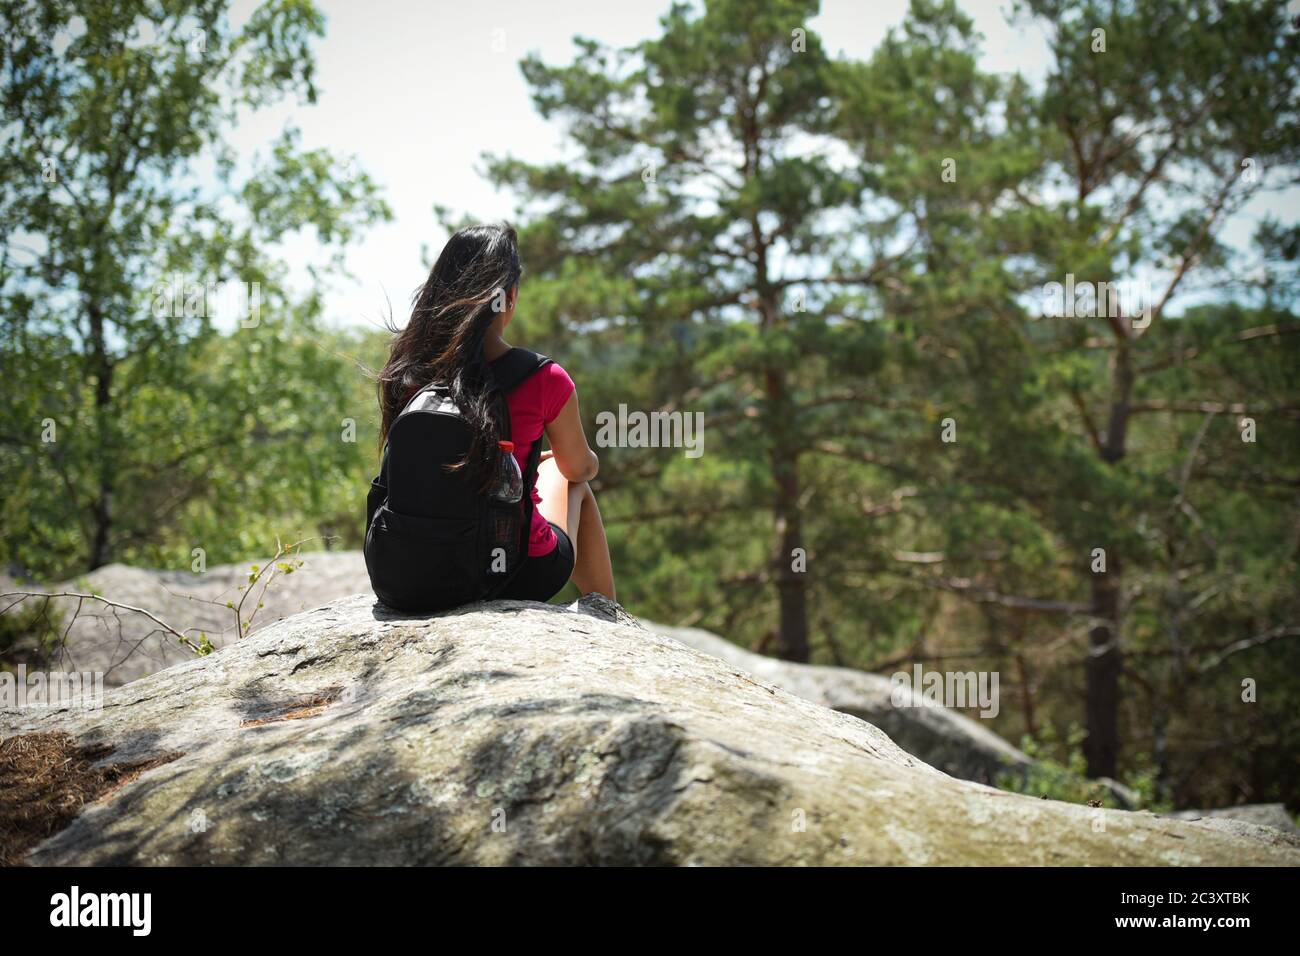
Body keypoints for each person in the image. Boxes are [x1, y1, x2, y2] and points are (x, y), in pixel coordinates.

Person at [375, 223, 616, 603]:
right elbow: (578, 469)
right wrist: (552, 463)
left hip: (408, 575)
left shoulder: (407, 372)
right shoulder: (544, 377)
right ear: (511, 297)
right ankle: (608, 616)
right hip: (513, 573)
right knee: (573, 482)